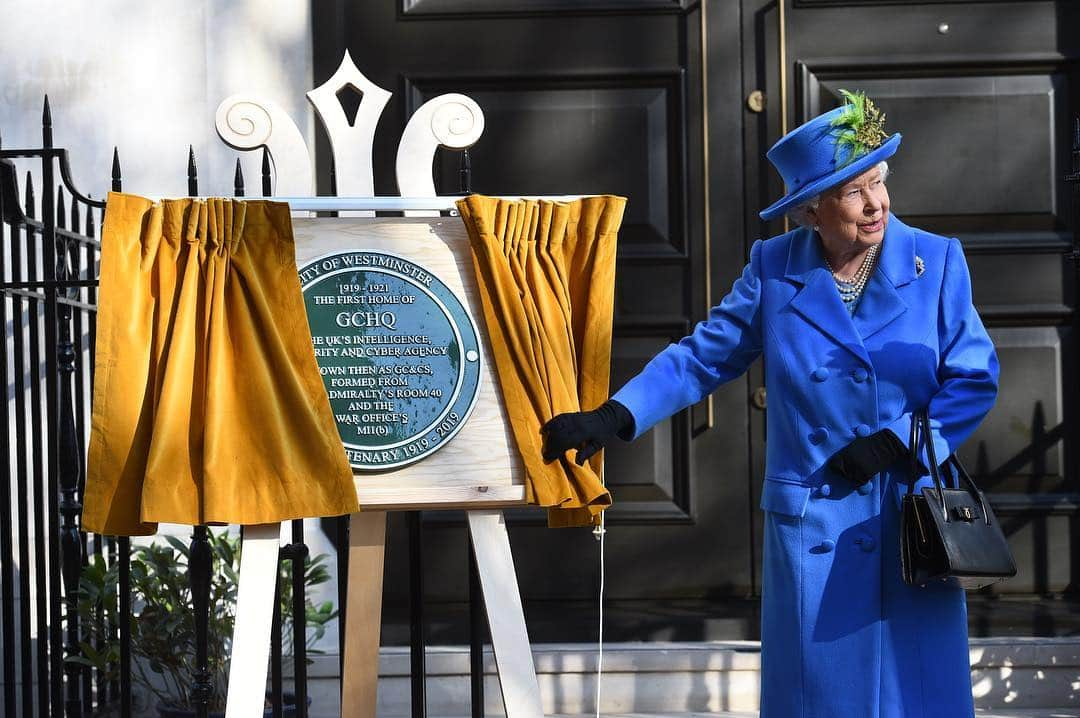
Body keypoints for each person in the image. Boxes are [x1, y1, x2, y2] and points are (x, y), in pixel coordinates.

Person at [541, 91, 999, 718]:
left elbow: (973, 378)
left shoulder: (937, 261)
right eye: (854, 192)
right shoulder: (775, 268)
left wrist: (899, 442)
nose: (877, 205)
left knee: (913, 694)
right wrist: (616, 415)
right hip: (815, 519)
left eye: (879, 183)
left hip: (908, 516)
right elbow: (702, 357)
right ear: (812, 209)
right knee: (821, 697)